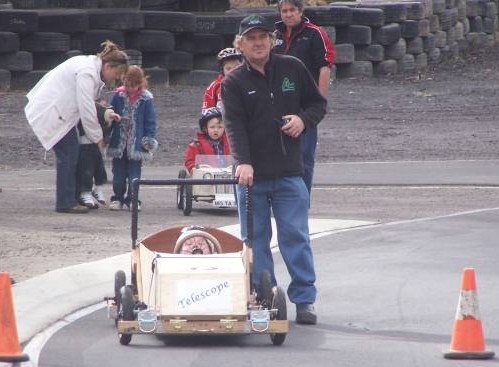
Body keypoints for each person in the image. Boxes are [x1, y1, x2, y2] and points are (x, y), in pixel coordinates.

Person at [221, 14, 327, 324]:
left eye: (263, 37)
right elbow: (233, 126)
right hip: (251, 176)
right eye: (251, 38)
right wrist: (242, 162)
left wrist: (302, 120)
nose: (258, 42)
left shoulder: (292, 68)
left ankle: (304, 300)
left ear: (272, 40)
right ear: (240, 43)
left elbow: (318, 104)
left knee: (295, 235)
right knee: (255, 239)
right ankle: (265, 295)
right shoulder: (233, 81)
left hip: (289, 173)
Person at [24, 40, 128, 214]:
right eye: (116, 74)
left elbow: (89, 104)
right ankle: (66, 202)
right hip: (52, 111)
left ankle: (73, 197)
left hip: (60, 112)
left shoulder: (88, 66)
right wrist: (98, 138)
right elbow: (86, 107)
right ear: (108, 66)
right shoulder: (87, 72)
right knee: (69, 153)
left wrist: (105, 113)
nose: (116, 79)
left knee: (72, 152)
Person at [273, 0, 336, 196]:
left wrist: (320, 102)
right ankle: (280, 198)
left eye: (292, 10)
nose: (288, 14)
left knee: (304, 156)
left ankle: (302, 200)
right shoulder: (274, 36)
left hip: (304, 106)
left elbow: (324, 68)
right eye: (284, 11)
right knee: (275, 153)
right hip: (277, 103)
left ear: (300, 11)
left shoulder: (315, 33)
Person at [107, 65, 158, 211]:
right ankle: (117, 198)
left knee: (134, 175)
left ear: (139, 84)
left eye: (132, 86)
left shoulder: (146, 99)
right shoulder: (118, 96)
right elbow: (110, 114)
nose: (129, 89)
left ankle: (133, 199)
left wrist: (148, 139)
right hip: (119, 143)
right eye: (126, 85)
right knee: (118, 174)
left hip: (137, 145)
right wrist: (106, 135)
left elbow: (150, 121)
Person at [75, 102, 114, 209]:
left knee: (99, 169)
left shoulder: (98, 109)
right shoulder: (85, 106)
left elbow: (105, 123)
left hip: (96, 143)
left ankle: (97, 189)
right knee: (86, 170)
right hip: (85, 144)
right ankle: (85, 193)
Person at [184, 107, 231, 173]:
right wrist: (193, 168)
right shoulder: (197, 145)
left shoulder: (230, 143)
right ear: (205, 128)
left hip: (227, 174)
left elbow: (237, 158)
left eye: (220, 127)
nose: (216, 130)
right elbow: (190, 161)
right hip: (206, 176)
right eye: (212, 127)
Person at [201, 48, 243, 114]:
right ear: (222, 70)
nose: (233, 71)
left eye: (236, 67)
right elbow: (207, 112)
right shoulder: (214, 87)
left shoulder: (250, 83)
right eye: (228, 68)